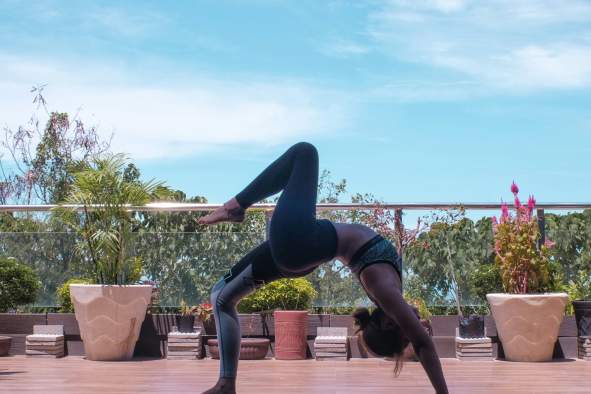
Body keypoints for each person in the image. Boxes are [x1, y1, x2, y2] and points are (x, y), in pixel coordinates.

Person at [199, 142, 448, 394]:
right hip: (302, 254)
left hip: (301, 241)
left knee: (305, 153)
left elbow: (423, 344)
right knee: (221, 296)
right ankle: (225, 385)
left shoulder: (386, 293)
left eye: (406, 334)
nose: (416, 327)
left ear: (388, 324)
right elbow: (417, 338)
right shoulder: (389, 292)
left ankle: (236, 206)